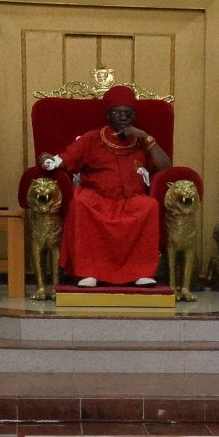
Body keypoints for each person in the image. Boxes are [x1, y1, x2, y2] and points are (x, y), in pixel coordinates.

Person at [38, 85, 173, 287]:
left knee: (149, 206)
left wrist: (146, 137)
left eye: (128, 113)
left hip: (130, 201)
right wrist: (48, 159)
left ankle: (140, 272)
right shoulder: (92, 138)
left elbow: (166, 168)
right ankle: (88, 271)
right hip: (97, 199)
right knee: (80, 203)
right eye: (118, 112)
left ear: (133, 116)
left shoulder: (141, 141)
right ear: (109, 115)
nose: (123, 117)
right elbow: (65, 160)